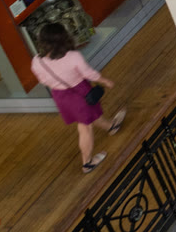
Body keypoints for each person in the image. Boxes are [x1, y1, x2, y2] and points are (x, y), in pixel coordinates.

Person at [30, 21, 126, 173]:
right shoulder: (73, 56)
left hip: (59, 95)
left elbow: (42, 81)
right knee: (85, 127)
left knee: (89, 116)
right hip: (79, 91)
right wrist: (104, 81)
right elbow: (88, 73)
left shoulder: (37, 61)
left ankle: (111, 126)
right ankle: (87, 163)